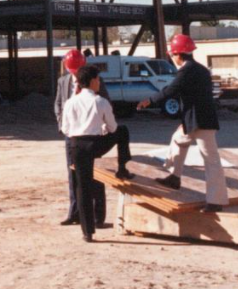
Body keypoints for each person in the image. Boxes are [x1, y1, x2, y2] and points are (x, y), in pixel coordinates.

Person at [137, 33, 228, 213]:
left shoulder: (187, 70)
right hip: (197, 119)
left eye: (172, 55)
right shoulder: (200, 69)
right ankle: (174, 177)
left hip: (201, 121)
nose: (172, 58)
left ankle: (216, 201)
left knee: (211, 160)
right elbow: (194, 96)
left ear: (178, 54)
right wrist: (186, 122)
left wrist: (149, 100)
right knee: (178, 140)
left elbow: (171, 90)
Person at [62, 64, 134, 242]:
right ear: (94, 80)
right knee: (123, 131)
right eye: (98, 79)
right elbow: (113, 127)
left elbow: (65, 128)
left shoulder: (70, 102)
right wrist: (101, 128)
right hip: (95, 144)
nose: (99, 83)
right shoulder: (101, 101)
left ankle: (88, 232)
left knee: (82, 186)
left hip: (76, 146)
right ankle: (122, 167)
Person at [54, 49, 110, 227]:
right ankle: (75, 213)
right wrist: (63, 125)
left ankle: (97, 216)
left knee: (95, 174)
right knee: (73, 174)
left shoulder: (96, 81)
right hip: (72, 135)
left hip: (92, 134)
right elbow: (58, 104)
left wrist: (102, 125)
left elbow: (106, 103)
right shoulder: (63, 81)